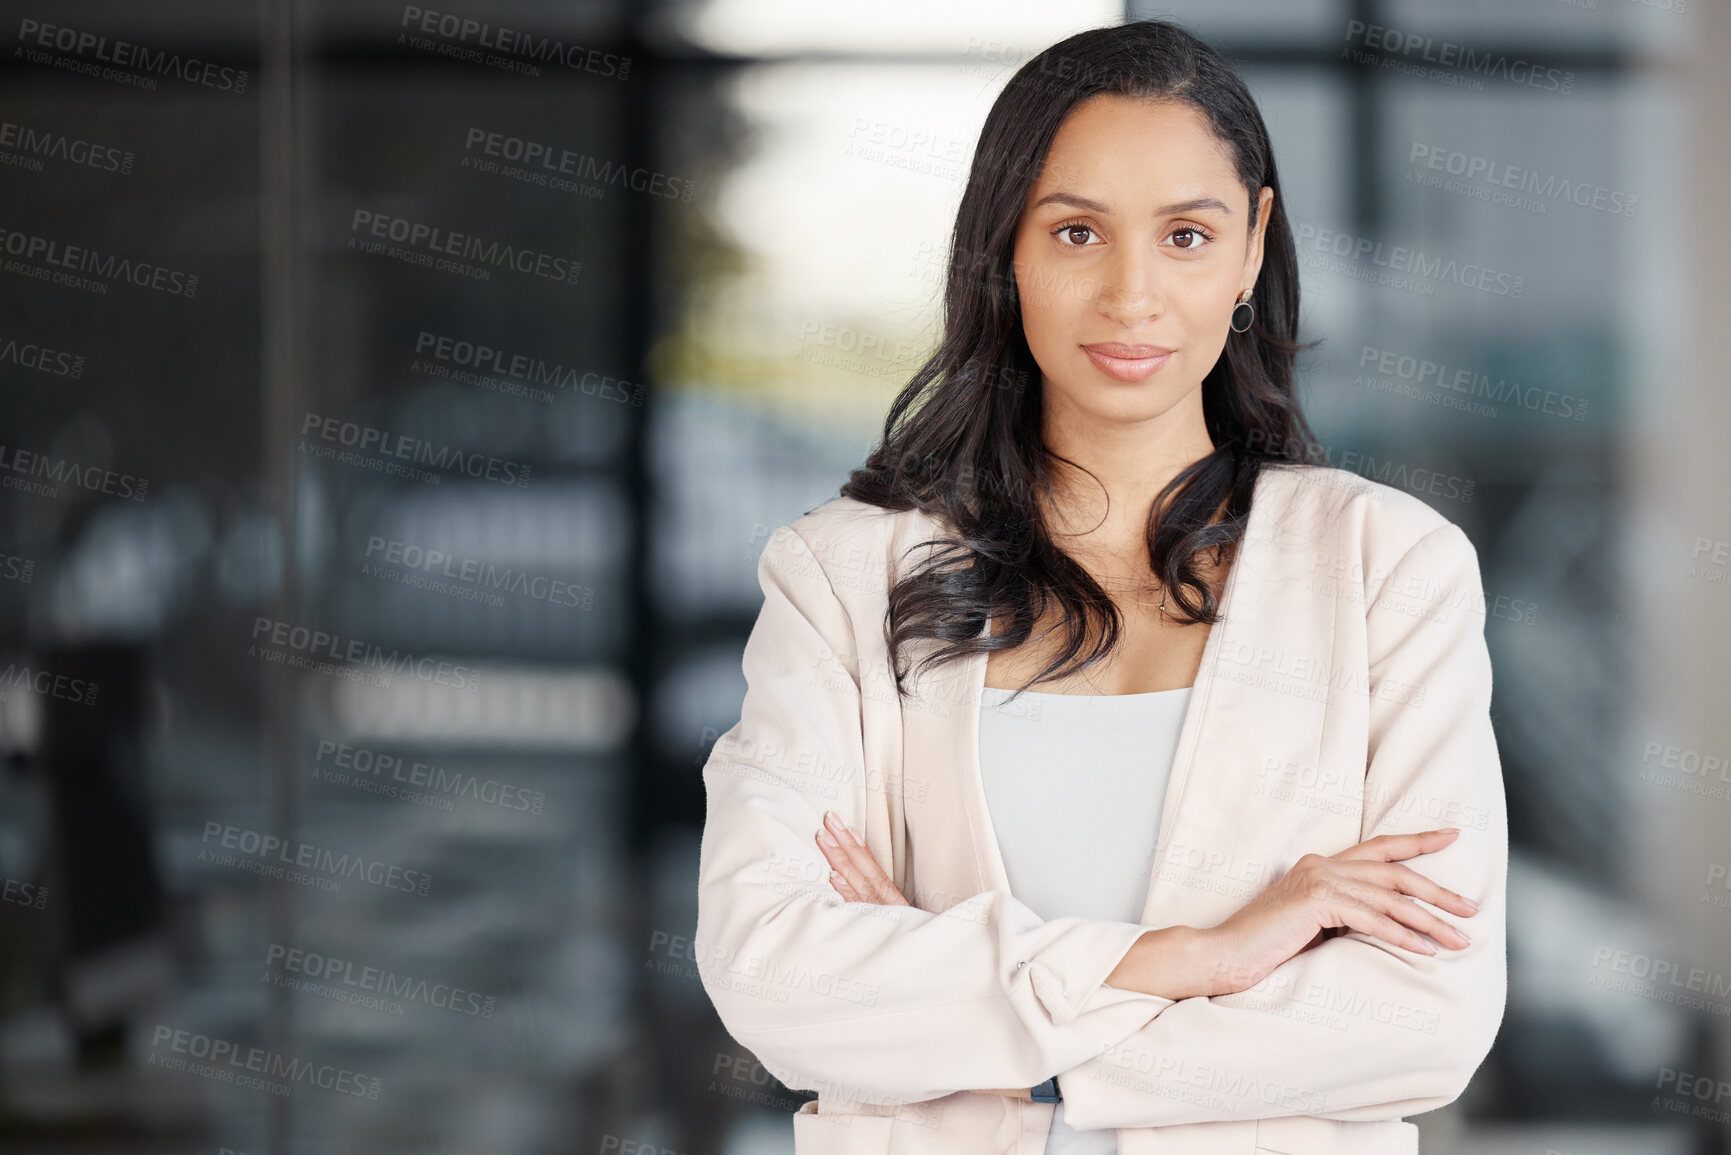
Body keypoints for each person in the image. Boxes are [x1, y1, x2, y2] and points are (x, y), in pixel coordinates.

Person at [696, 18, 1507, 1155]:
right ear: (1006, 250)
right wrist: (1199, 958)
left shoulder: (1391, 572)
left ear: (1253, 245)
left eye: (1186, 234)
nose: (1133, 295)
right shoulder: (842, 571)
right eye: (1077, 232)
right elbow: (770, 970)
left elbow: (1424, 1020)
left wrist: (981, 1032)